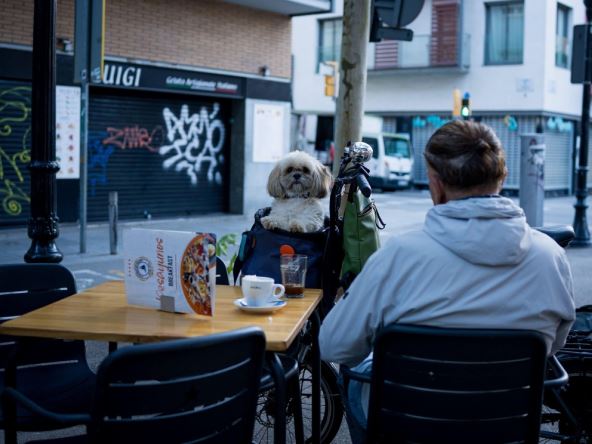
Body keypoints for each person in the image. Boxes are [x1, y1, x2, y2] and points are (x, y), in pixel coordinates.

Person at [319, 120, 576, 443]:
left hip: (412, 427)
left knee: (353, 374)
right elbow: (555, 342)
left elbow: (334, 344)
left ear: (436, 184)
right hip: (504, 427)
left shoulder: (400, 256)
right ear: (502, 178)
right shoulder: (550, 257)